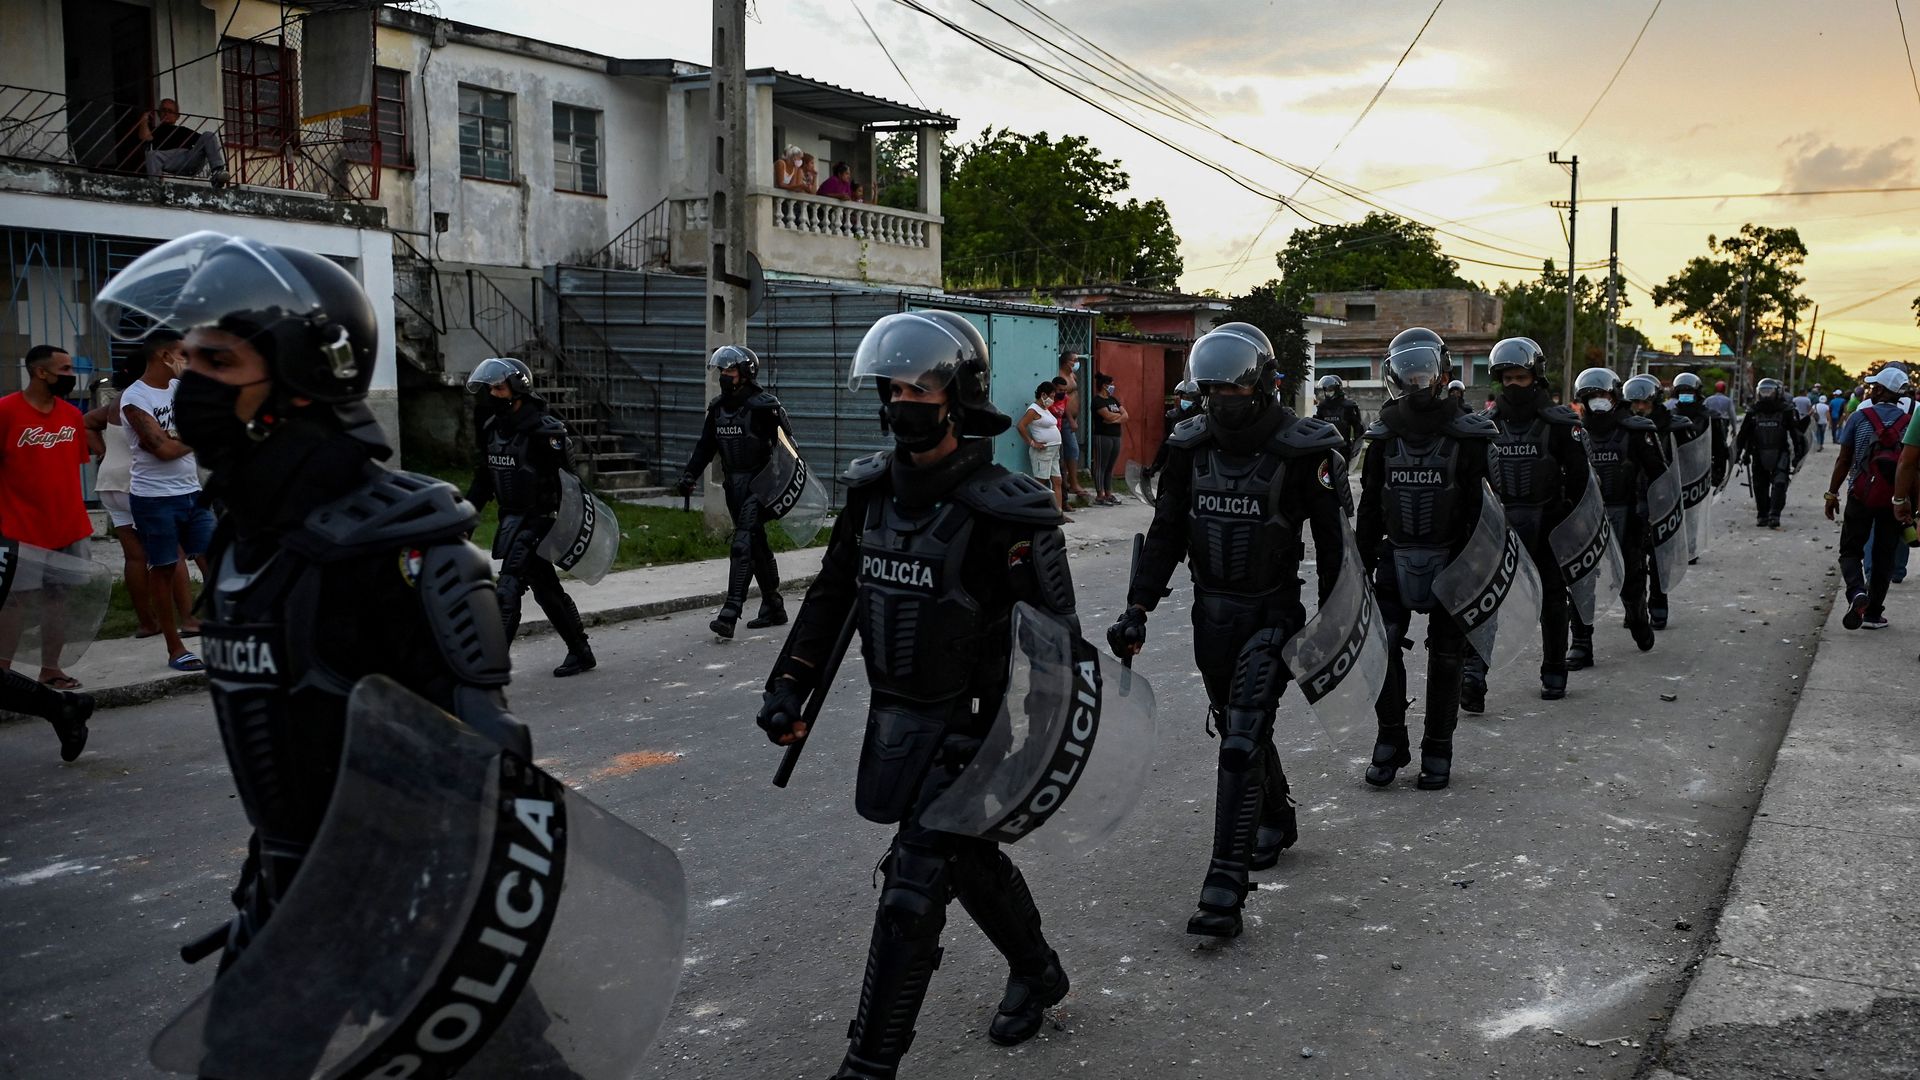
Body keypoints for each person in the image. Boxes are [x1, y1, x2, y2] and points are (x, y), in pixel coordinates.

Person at [92, 229, 533, 968]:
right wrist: (267, 890)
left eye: (219, 361)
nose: (191, 381)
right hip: (285, 897)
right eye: (189, 358)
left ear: (302, 379)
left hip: (419, 917)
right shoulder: (247, 537)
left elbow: (489, 758)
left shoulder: (399, 548)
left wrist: (438, 931)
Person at [757, 310, 1081, 1079]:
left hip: (978, 727)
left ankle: (868, 1066)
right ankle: (1038, 969)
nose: (904, 398)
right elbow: (831, 600)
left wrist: (1027, 740)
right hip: (899, 719)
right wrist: (790, 686)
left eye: (922, 385)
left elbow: (1058, 645)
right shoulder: (871, 495)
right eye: (895, 384)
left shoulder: (1006, 509)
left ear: (959, 395)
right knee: (964, 862)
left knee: (912, 887)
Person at [1110, 321, 1347, 938]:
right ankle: (1276, 814)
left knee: (1242, 735)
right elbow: (1164, 535)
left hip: (1272, 612)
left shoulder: (1303, 449)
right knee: (1237, 728)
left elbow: (1333, 545)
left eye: (1234, 392)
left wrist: (1333, 621)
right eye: (1212, 393)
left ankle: (1224, 885)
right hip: (1208, 618)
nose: (1223, 403)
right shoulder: (1189, 448)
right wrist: (1137, 607)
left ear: (1266, 385)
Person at [1356, 327, 1496, 790]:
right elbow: (1372, 503)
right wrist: (1356, 563)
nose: (1416, 381)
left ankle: (1439, 748)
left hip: (1452, 559)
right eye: (1409, 372)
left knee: (1447, 657)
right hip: (1395, 555)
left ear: (1441, 373)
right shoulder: (1383, 437)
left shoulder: (1470, 436)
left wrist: (1475, 570)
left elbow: (1482, 511)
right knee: (1383, 644)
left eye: (1423, 371)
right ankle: (1389, 739)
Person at [1461, 337, 1588, 708]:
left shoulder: (1560, 424)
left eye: (1521, 376)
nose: (1514, 384)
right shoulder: (1484, 427)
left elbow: (1580, 480)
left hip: (1548, 523)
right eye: (1508, 378)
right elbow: (1471, 480)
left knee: (1552, 600)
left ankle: (1553, 670)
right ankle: (1474, 677)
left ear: (1536, 376)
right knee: (1486, 602)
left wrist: (1569, 522)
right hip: (1500, 527)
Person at [466, 357, 595, 675]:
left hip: (539, 519)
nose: (492, 394)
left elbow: (569, 483)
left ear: (517, 390)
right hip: (511, 520)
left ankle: (489, 667)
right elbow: (484, 480)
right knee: (546, 590)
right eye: (489, 388)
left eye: (498, 388)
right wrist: (466, 518)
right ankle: (581, 652)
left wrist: (568, 528)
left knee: (508, 586)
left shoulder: (544, 430)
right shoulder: (492, 429)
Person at [0, 344, 100, 693]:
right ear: (41, 372)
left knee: (57, 599)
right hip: (19, 527)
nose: (71, 376)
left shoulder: (71, 416)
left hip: (68, 525)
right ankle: (3, 676)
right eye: (66, 369)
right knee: (14, 603)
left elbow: (68, 469)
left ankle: (50, 668)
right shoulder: (6, 411)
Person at [675, 345, 792, 638]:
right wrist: (690, 474)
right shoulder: (718, 410)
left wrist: (777, 486)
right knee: (756, 545)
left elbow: (788, 450)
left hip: (760, 486)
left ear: (745, 373)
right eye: (721, 371)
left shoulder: (765, 407)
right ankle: (773, 605)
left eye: (729, 370)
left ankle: (730, 612)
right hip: (734, 487)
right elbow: (705, 447)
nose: (723, 376)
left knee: (741, 544)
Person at [84, 347, 196, 640]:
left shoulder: (114, 402)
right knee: (174, 553)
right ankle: (188, 619)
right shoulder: (141, 397)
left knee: (135, 558)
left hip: (110, 482)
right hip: (140, 482)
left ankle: (147, 623)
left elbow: (85, 422)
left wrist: (103, 453)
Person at [122, 327, 216, 672]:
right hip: (155, 499)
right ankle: (175, 648)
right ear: (165, 356)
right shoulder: (135, 399)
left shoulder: (180, 388)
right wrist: (194, 433)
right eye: (184, 354)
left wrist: (185, 434)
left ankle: (228, 631)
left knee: (218, 559)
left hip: (192, 492)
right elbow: (162, 450)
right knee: (162, 569)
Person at [1569, 368, 1665, 664]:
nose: (1598, 401)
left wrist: (1650, 509)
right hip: (1587, 515)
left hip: (1627, 514)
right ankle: (1581, 643)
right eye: (1591, 397)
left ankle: (1638, 618)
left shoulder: (1636, 430)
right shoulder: (1573, 433)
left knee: (1631, 577)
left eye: (1603, 396)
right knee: (1581, 580)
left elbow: (1658, 476)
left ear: (1615, 397)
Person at [1826, 367, 1912, 630]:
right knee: (1884, 555)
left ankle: (1856, 592)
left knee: (1850, 550)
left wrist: (1832, 493)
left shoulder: (1859, 417)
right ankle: (1874, 614)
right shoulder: (1909, 422)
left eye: (1875, 387)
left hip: (1860, 495)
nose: (1871, 390)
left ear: (1881, 391)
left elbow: (1844, 460)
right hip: (1893, 500)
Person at [1623, 375, 1693, 631]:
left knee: (1660, 558)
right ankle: (1636, 608)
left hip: (1664, 500)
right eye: (1635, 403)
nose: (1639, 408)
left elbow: (1688, 461)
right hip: (1631, 500)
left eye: (1644, 403)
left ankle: (1658, 605)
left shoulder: (1673, 426)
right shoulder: (1625, 427)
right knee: (1633, 561)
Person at [1734, 378, 1808, 529]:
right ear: (1758, 393)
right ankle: (1762, 514)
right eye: (1763, 391)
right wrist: (1739, 453)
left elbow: (1795, 433)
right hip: (1758, 452)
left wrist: (1799, 454)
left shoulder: (1786, 411)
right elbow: (1743, 435)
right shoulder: (1752, 412)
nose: (1766, 395)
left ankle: (1774, 515)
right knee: (1760, 486)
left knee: (1780, 483)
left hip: (1781, 452)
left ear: (1777, 393)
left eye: (1769, 391)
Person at [136, 99, 229, 189]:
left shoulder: (183, 130)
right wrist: (144, 120)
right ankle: (155, 186)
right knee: (152, 155)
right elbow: (145, 138)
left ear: (177, 116)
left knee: (208, 135)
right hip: (169, 161)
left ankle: (217, 172)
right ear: (159, 113)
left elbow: (206, 142)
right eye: (163, 110)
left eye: (170, 111)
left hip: (188, 159)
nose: (166, 113)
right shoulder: (156, 130)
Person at [1670, 372, 1731, 489]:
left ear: (1697, 394)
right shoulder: (1670, 417)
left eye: (1689, 393)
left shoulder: (1710, 418)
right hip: (1676, 473)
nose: (1685, 396)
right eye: (1682, 393)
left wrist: (1718, 474)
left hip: (1701, 472)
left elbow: (1720, 450)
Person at [1016, 380, 1066, 516]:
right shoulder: (1033, 410)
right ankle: (1038, 511)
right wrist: (1033, 443)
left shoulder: (1045, 409)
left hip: (1054, 450)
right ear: (1043, 395)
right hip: (1043, 451)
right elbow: (1020, 426)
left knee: (1057, 480)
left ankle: (1058, 511)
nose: (1052, 399)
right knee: (1041, 482)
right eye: (1051, 396)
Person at [1054, 353, 1089, 505]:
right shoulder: (1060, 376)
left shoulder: (1072, 375)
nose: (1075, 363)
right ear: (1065, 362)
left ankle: (1068, 481)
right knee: (1072, 450)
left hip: (1072, 419)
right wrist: (1069, 418)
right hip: (1064, 419)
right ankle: (1072, 483)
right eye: (1073, 360)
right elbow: (1062, 400)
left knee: (1070, 451)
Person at [1090, 372, 1127, 506]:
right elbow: (1107, 415)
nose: (1113, 387)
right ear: (1105, 386)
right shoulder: (1097, 401)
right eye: (1111, 385)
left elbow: (1125, 415)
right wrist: (1116, 418)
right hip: (1102, 436)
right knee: (1101, 465)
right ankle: (1100, 495)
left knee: (1110, 466)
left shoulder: (1113, 400)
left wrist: (1113, 420)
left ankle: (1108, 493)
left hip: (1115, 435)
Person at [1314, 373, 1365, 462]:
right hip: (1325, 447)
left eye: (1330, 389)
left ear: (1337, 389)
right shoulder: (1322, 407)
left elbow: (1358, 428)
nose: (1328, 392)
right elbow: (1316, 426)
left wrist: (1354, 446)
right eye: (1326, 389)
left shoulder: (1348, 406)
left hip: (1343, 448)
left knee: (1342, 472)